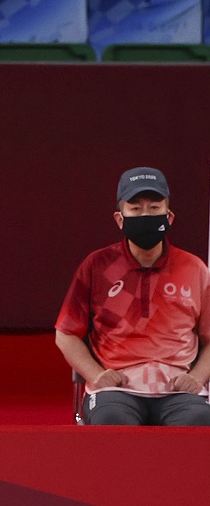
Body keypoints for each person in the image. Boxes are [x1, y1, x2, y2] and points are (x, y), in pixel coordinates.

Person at [56, 166, 210, 426]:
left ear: (169, 216)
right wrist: (96, 375)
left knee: (199, 420)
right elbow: (66, 333)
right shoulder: (98, 267)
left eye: (154, 208)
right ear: (120, 218)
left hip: (177, 390)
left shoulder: (194, 268)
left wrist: (196, 377)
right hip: (116, 390)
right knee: (112, 420)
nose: (145, 215)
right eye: (136, 209)